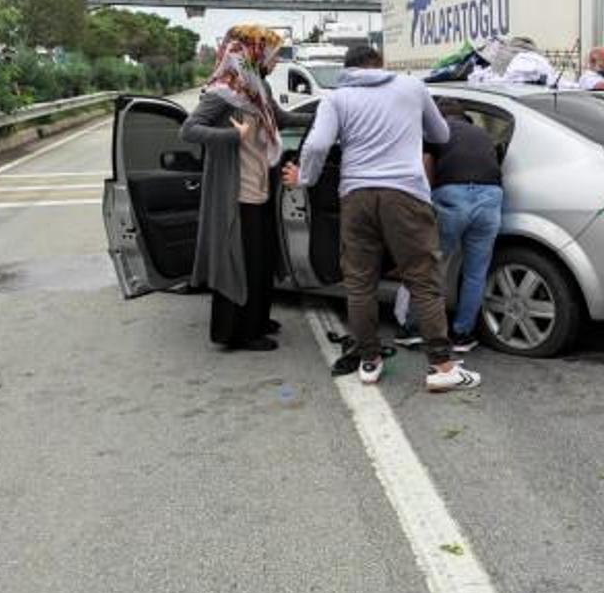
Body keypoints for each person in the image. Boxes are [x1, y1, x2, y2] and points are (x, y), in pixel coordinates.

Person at [282, 46, 482, 392]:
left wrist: (305, 179)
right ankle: (441, 365)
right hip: (405, 194)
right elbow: (442, 135)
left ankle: (369, 360)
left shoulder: (337, 97)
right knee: (422, 279)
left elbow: (316, 147)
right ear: (380, 65)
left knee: (359, 282)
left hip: (357, 196)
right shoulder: (411, 87)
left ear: (347, 69)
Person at [181, 24, 310, 352]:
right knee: (241, 262)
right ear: (254, 51)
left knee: (262, 261)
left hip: (262, 186)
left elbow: (281, 119)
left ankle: (258, 319)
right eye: (273, 54)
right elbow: (189, 130)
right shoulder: (224, 90)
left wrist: (325, 114)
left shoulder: (257, 87)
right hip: (237, 192)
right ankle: (237, 333)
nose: (276, 61)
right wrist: (230, 137)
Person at [396, 98, 503, 353]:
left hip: (452, 195)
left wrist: (425, 201)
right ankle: (462, 335)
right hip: (491, 197)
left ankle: (412, 328)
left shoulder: (436, 131)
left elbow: (425, 168)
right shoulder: (483, 134)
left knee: (431, 266)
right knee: (476, 271)